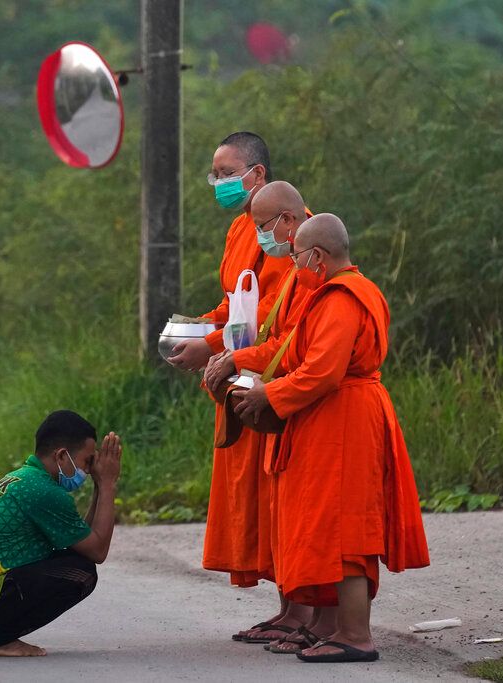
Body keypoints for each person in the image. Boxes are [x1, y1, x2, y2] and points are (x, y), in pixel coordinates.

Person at [232, 213, 430, 663]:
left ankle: (356, 636)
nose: (295, 264)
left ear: (317, 256)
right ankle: (334, 627)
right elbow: (296, 354)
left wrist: (270, 394)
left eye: (298, 256)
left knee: (346, 528)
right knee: (324, 522)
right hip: (329, 418)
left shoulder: (343, 297)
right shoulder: (328, 294)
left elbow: (322, 370)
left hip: (346, 419)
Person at [167, 132, 298, 643]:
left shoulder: (289, 231)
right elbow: (234, 302)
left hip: (273, 379)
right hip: (240, 373)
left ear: (259, 175)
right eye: (214, 174)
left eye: (227, 173)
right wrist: (198, 330)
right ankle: (289, 608)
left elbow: (274, 316)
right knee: (259, 500)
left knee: (282, 496)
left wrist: (216, 345)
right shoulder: (240, 229)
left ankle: (304, 608)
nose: (218, 183)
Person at [203, 180, 334, 653]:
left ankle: (333, 626)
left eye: (265, 227)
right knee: (287, 511)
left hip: (320, 413)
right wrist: (231, 357)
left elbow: (314, 360)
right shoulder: (299, 276)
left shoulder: (336, 290)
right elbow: (278, 335)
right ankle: (297, 612)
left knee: (320, 519)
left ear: (292, 223)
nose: (262, 237)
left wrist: (247, 370)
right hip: (283, 400)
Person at [0, 410, 122, 657]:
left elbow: (84, 541)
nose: (89, 470)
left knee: (77, 562)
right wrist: (108, 484)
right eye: (87, 461)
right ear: (62, 456)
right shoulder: (43, 492)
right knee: (81, 573)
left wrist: (100, 486)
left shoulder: (28, 480)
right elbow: (97, 551)